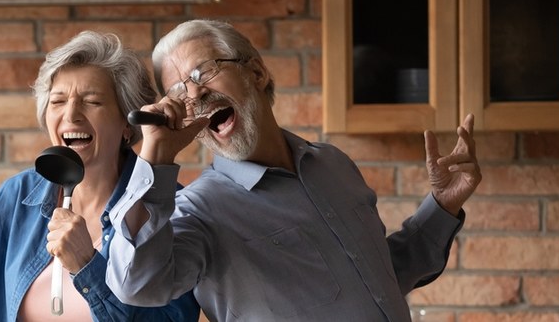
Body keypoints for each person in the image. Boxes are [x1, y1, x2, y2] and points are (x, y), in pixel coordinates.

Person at [104, 19, 483, 321]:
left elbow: (382, 277)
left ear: (256, 73)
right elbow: (136, 284)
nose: (195, 94)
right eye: (177, 92)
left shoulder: (333, 164)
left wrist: (442, 206)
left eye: (203, 73)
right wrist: (155, 156)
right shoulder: (198, 211)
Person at [0, 31, 200, 322]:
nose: (71, 115)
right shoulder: (17, 195)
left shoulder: (170, 206)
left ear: (126, 123)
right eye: (57, 102)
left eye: (92, 101)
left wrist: (86, 265)